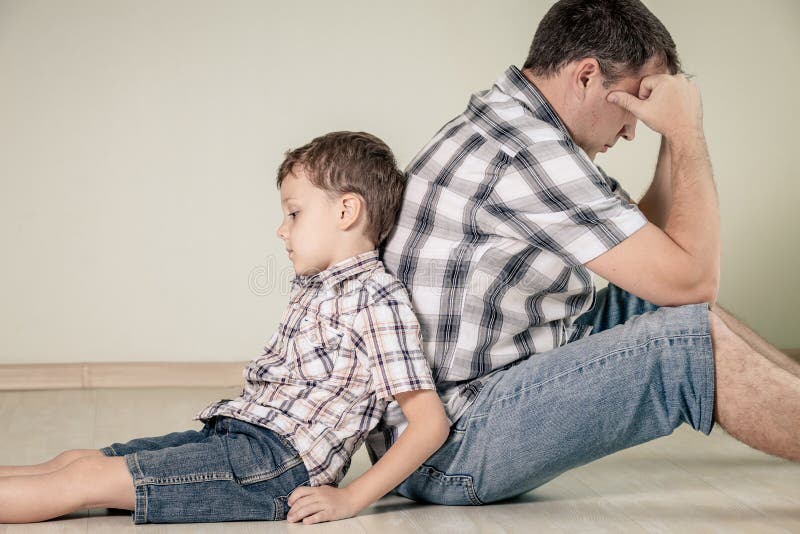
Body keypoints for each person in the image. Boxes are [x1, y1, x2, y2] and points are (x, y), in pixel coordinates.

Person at [366, 0, 800, 506]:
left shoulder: (514, 123)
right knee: (685, 344)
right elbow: (694, 279)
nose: (633, 127)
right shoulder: (528, 152)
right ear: (588, 76)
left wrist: (670, 140)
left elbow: (657, 258)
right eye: (635, 103)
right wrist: (687, 131)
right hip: (448, 444)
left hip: (458, 410)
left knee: (668, 308)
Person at [0, 131, 450, 525]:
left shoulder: (378, 300)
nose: (281, 229)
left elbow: (429, 425)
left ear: (346, 211)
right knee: (77, 459)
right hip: (239, 435)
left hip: (277, 465)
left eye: (293, 213)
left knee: (84, 479)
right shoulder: (318, 287)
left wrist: (350, 498)